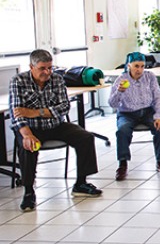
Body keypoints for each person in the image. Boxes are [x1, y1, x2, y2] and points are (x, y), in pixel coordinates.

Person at [9, 49, 102, 212]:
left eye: (50, 68)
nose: (47, 72)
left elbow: (64, 106)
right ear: (31, 67)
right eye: (42, 68)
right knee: (28, 146)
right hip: (30, 127)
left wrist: (36, 112)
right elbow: (16, 113)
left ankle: (81, 183)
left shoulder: (57, 79)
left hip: (55, 125)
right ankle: (29, 192)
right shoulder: (18, 81)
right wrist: (27, 134)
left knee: (85, 137)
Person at [108, 52, 160, 181]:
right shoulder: (121, 79)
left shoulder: (150, 77)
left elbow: (158, 97)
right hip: (127, 113)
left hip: (148, 111)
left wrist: (159, 116)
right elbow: (112, 104)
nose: (140, 70)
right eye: (136, 66)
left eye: (142, 66)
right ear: (129, 65)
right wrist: (119, 92)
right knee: (122, 131)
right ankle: (123, 163)